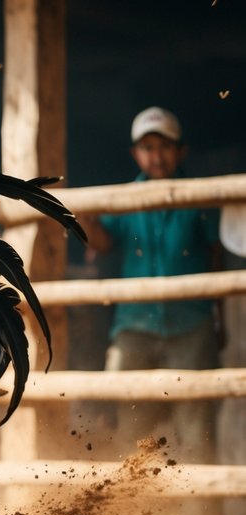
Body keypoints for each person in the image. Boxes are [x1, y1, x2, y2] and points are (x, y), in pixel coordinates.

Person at [79, 106, 223, 464]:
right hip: (135, 325)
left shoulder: (200, 197)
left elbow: (215, 254)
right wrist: (80, 215)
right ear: (136, 154)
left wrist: (220, 317)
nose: (156, 156)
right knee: (132, 427)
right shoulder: (125, 198)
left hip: (192, 323)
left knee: (196, 429)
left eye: (164, 147)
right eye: (147, 147)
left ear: (181, 151)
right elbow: (101, 242)